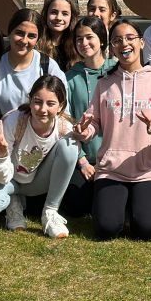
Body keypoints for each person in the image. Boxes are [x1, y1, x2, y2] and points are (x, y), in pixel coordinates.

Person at [76, 19, 151, 241]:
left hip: (147, 171)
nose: (124, 44)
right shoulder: (104, 83)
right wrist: (85, 131)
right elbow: (94, 122)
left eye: (130, 38)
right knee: (106, 228)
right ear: (112, 48)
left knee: (147, 230)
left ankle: (131, 209)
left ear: (141, 43)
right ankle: (119, 210)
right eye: (117, 40)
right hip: (111, 169)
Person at [0, 74, 81, 238]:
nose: (43, 109)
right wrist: (1, 156)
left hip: (37, 181)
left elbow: (69, 159)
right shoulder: (14, 121)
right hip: (9, 180)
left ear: (61, 106)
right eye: (37, 102)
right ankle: (13, 203)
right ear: (30, 100)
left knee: (70, 146)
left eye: (50, 104)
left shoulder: (64, 128)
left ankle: (50, 212)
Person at [0, 11, 58, 184]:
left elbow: (63, 112)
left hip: (42, 150)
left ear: (38, 38)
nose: (24, 40)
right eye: (19, 33)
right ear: (10, 32)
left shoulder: (47, 66)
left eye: (31, 36)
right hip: (6, 150)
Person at [62, 13, 112, 217]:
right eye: (79, 39)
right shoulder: (69, 78)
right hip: (84, 159)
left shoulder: (117, 71)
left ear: (102, 39)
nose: (84, 43)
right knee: (75, 206)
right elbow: (65, 121)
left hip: (114, 159)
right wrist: (82, 161)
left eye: (89, 37)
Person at [38, 0, 77, 68]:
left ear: (71, 17)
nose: (58, 18)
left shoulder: (77, 45)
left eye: (65, 14)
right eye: (54, 12)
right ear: (46, 14)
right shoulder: (36, 44)